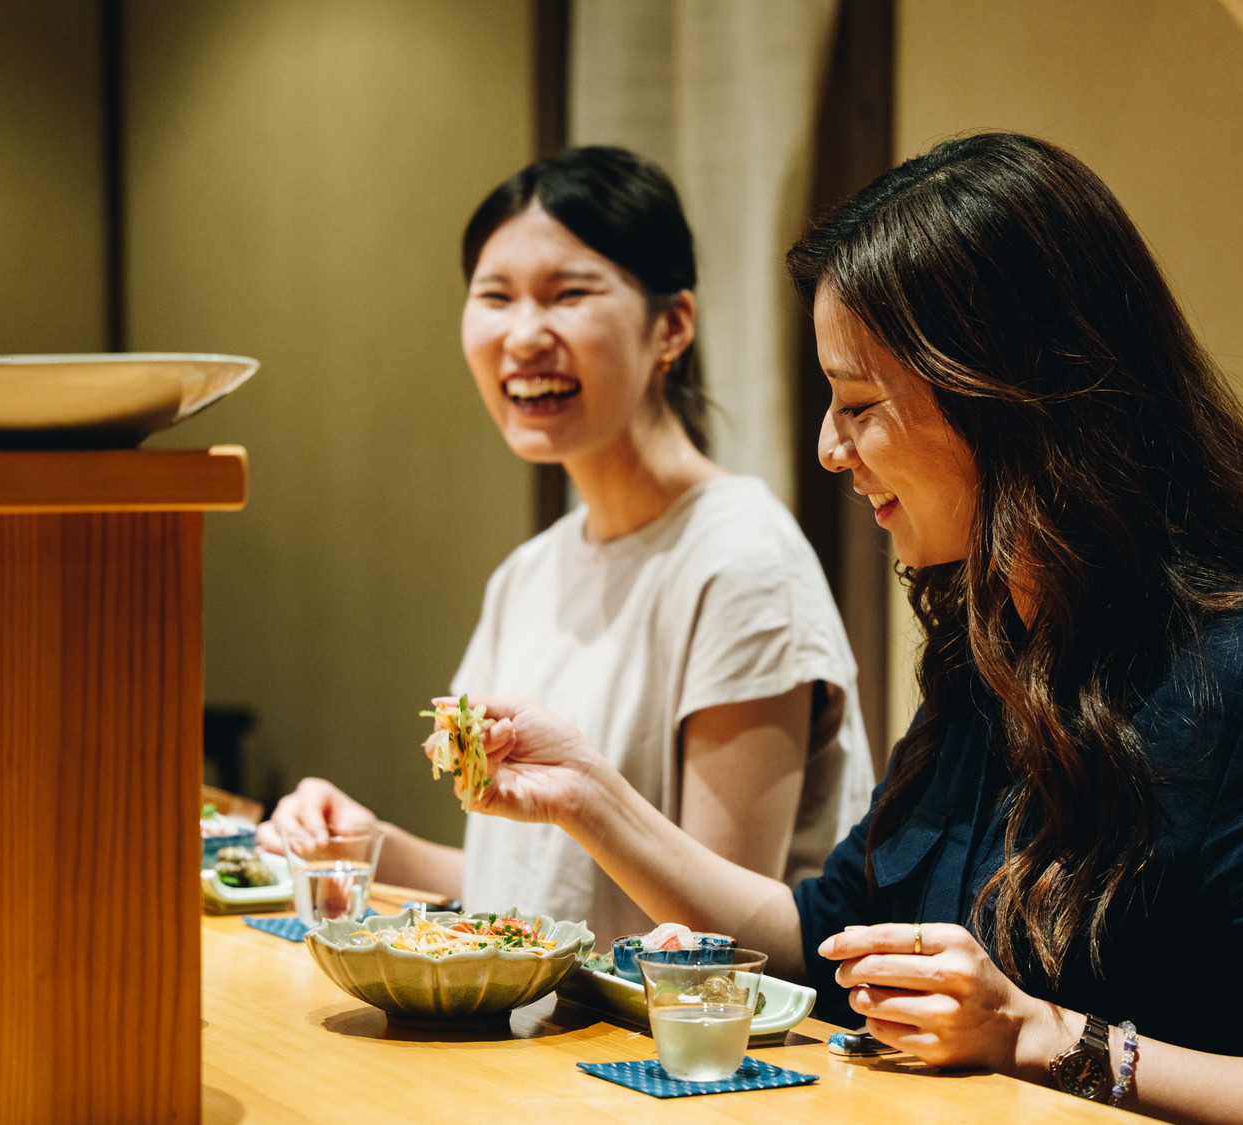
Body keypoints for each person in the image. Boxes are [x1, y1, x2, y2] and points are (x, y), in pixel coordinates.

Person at [452, 133, 1243, 1124]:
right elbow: (822, 936)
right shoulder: (989, 657)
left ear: (1006, 398)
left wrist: (1042, 1035)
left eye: (857, 405)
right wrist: (586, 794)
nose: (829, 450)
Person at [263, 146, 875, 945]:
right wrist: (362, 846)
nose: (524, 335)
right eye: (495, 296)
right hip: (543, 1033)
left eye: (568, 294)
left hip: (667, 1057)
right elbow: (525, 883)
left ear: (672, 325)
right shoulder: (529, 573)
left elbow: (721, 934)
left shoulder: (741, 561)